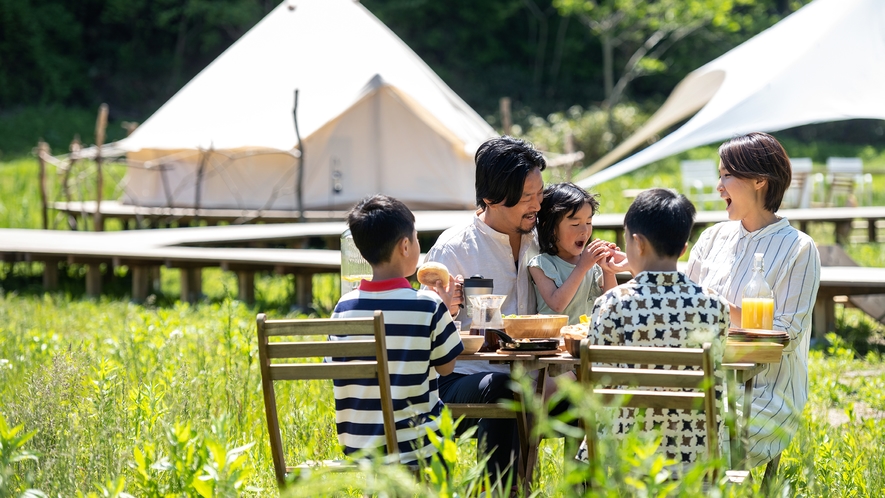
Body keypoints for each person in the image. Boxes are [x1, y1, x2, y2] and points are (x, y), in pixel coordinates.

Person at [685, 132, 821, 468]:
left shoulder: (799, 248)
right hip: (700, 385)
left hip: (763, 395)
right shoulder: (712, 237)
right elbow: (685, 311)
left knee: (691, 438)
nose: (719, 187)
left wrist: (714, 304)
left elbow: (785, 337)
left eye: (726, 176)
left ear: (760, 180)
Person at [577, 188, 730, 470]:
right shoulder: (715, 305)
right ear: (683, 249)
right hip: (693, 455)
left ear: (637, 243)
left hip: (623, 455)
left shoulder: (611, 304)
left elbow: (598, 384)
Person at [423, 135, 546, 481]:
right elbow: (426, 332)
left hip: (538, 375)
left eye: (540, 194)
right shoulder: (454, 249)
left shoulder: (542, 241)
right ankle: (497, 492)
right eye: (526, 198)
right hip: (461, 380)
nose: (537, 205)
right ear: (491, 198)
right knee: (504, 388)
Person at [331, 194, 463, 465]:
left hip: (359, 446)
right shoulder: (427, 305)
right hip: (415, 445)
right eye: (416, 239)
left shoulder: (343, 308)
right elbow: (447, 367)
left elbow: (335, 367)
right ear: (405, 246)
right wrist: (444, 308)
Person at [529, 182, 619, 325]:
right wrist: (582, 266)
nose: (584, 230)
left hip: (586, 340)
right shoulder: (541, 264)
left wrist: (608, 270)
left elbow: (612, 306)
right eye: (575, 224)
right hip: (555, 342)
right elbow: (557, 304)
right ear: (551, 228)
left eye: (589, 222)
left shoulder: (591, 264)